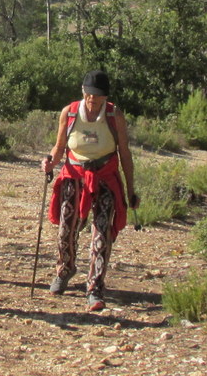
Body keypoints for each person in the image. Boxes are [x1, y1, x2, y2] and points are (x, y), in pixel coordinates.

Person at [41, 69, 138, 311]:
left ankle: (95, 286)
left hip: (105, 176)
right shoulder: (71, 112)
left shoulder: (114, 115)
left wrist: (131, 189)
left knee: (102, 231)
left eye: (98, 96)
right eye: (89, 95)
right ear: (83, 92)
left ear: (106, 97)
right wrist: (50, 161)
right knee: (66, 227)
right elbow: (60, 146)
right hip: (74, 175)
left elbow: (124, 153)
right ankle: (65, 269)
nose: (92, 100)